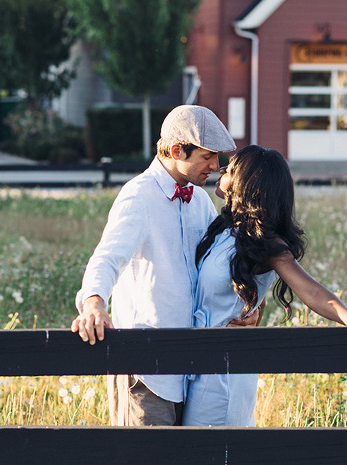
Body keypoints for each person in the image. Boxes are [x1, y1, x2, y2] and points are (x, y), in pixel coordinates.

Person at [182, 145, 347, 427]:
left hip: (225, 374)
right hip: (200, 363)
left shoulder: (267, 243)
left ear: (248, 182)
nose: (221, 169)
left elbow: (310, 290)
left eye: (230, 168)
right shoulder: (224, 229)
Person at [71, 104, 244, 426]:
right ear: (178, 150)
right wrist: (93, 303)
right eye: (207, 156)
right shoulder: (138, 196)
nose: (215, 166)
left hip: (191, 365)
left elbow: (217, 264)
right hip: (145, 368)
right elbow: (108, 256)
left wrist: (246, 308)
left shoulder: (201, 200)